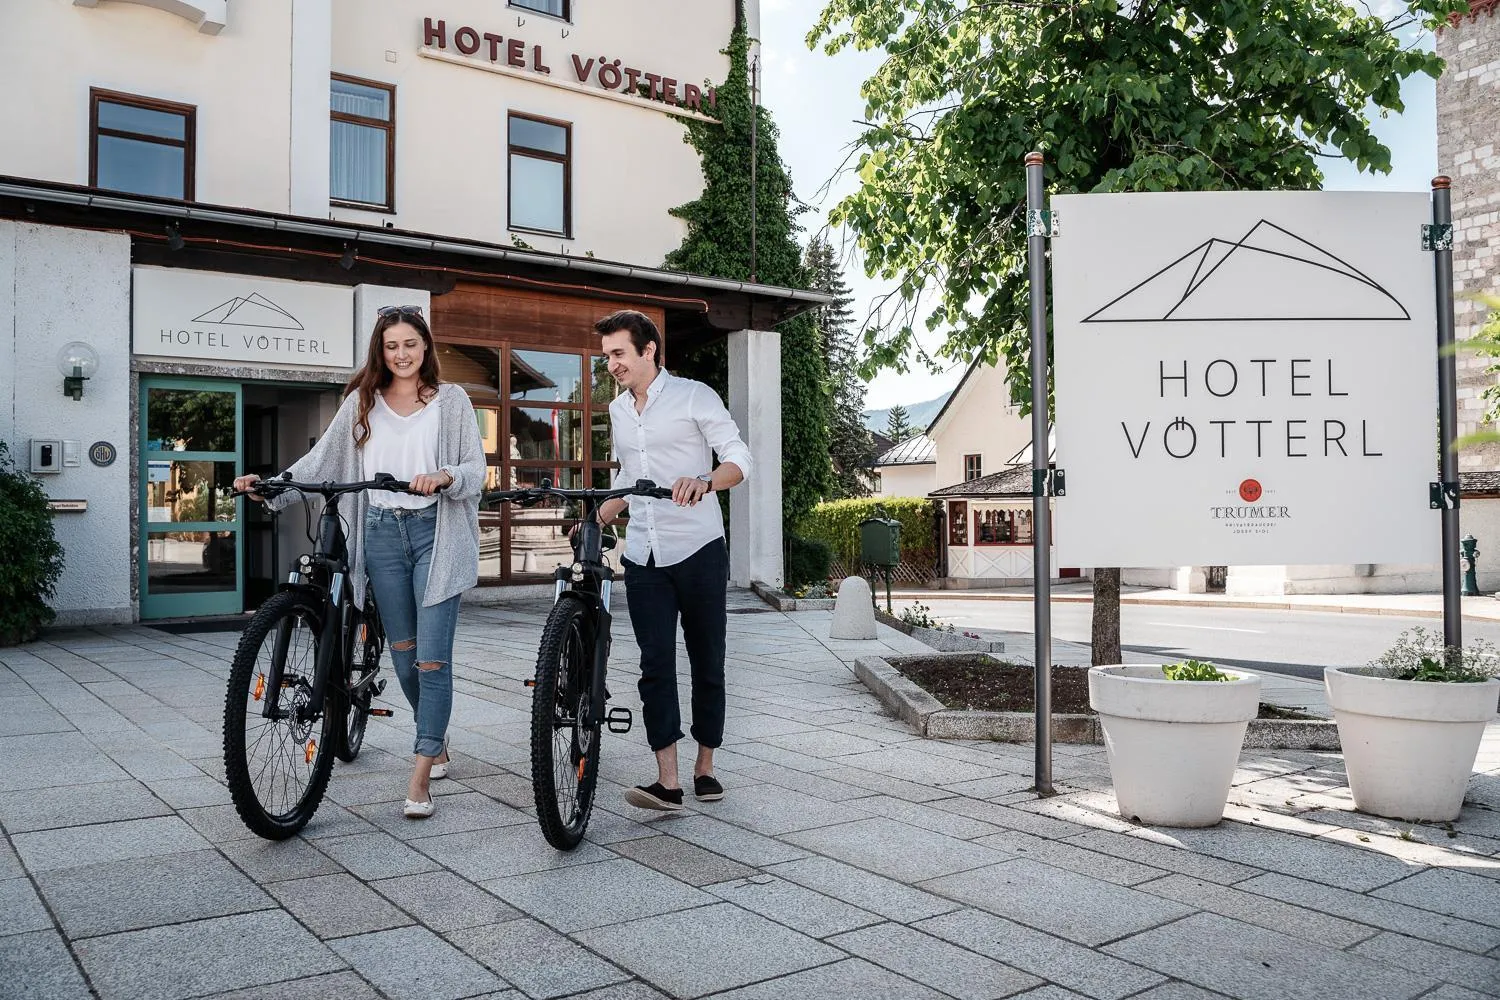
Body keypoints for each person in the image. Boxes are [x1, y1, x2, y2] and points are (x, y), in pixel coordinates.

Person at [233, 305, 485, 820]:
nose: (402, 354)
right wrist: (271, 488)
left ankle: (420, 775)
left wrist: (444, 476)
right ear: (380, 350)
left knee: (432, 659)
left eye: (410, 344)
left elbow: (473, 469)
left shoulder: (451, 400)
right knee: (403, 654)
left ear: (425, 346)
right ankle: (434, 737)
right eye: (392, 346)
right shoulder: (361, 402)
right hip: (380, 535)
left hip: (435, 533)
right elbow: (322, 461)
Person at [592, 309, 751, 811]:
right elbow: (631, 470)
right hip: (643, 552)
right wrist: (606, 507)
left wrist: (705, 481)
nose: (611, 365)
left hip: (699, 548)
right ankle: (669, 781)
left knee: (708, 660)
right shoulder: (619, 410)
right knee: (654, 664)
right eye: (606, 357)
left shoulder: (694, 396)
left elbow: (739, 459)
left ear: (648, 350)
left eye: (618, 354)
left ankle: (706, 764)